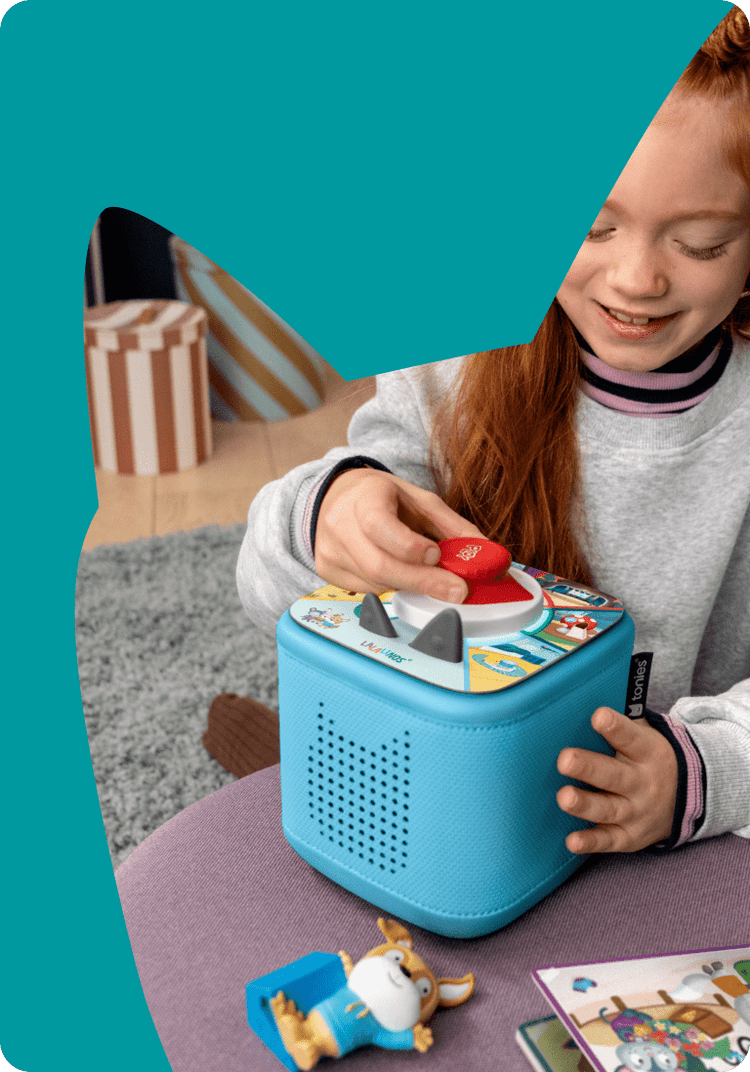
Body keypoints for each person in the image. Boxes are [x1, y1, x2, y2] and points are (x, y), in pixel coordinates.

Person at [237, 8, 750, 856]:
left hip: (668, 839)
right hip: (441, 807)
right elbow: (267, 592)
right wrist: (326, 513)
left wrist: (700, 771)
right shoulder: (457, 366)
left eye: (700, 243)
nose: (637, 279)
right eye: (592, 227)